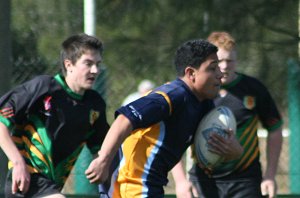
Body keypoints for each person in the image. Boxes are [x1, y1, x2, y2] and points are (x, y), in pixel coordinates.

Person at [85, 39, 228, 197]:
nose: (220, 74)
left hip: (151, 185)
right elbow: (124, 119)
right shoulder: (171, 96)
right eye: (213, 68)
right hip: (133, 184)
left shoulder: (204, 104)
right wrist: (103, 159)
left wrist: (233, 150)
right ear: (191, 73)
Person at [172, 31, 283, 198]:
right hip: (203, 180)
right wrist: (180, 181)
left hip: (245, 181)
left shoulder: (254, 89)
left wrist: (270, 176)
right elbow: (174, 136)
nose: (224, 66)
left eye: (229, 60)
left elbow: (275, 129)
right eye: (218, 61)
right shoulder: (194, 92)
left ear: (236, 60)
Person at [0, 33, 110, 198]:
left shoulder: (95, 104)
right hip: (27, 181)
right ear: (69, 64)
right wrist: (18, 164)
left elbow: (100, 148)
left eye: (97, 64)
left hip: (52, 187)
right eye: (88, 63)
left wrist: (105, 167)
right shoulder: (43, 88)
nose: (95, 70)